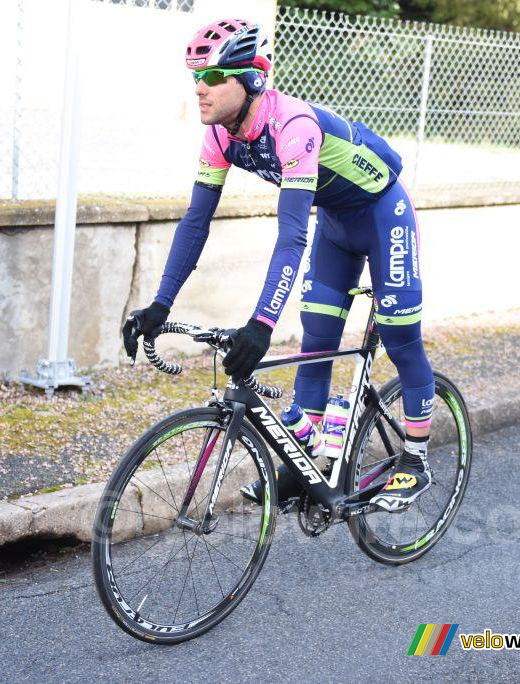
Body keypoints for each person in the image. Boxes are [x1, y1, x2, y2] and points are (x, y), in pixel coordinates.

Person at [121, 18, 435, 511]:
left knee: (399, 334)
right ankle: (305, 469)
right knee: (317, 340)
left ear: (250, 79)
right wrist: (160, 304)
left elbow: (291, 235)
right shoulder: (220, 135)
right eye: (193, 79)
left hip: (382, 214)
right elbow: (195, 223)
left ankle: (415, 461)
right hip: (336, 223)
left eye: (210, 78)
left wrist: (261, 325)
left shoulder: (292, 125)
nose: (198, 90)